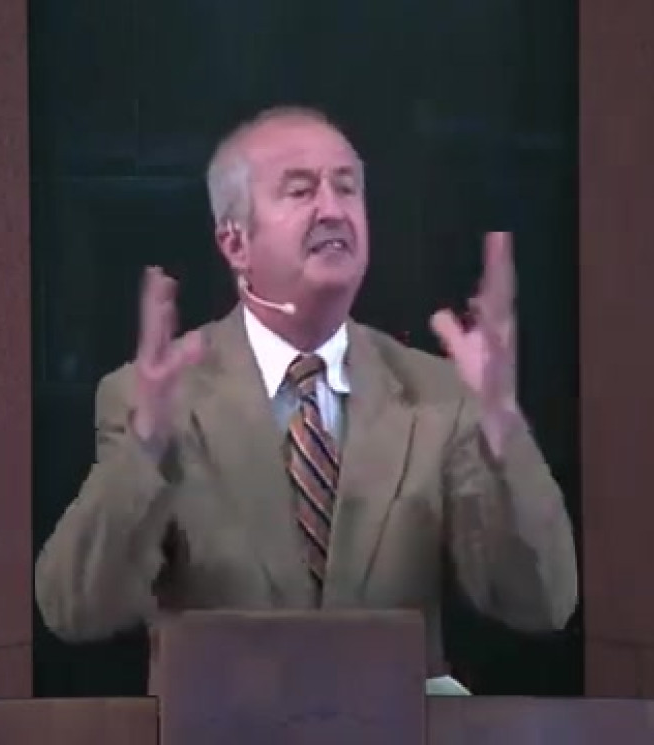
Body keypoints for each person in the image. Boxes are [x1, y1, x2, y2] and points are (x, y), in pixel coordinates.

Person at [34, 105, 578, 694]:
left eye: (347, 188)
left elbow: (541, 602)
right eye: (300, 190)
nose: (333, 209)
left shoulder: (438, 395)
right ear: (235, 242)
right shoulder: (155, 399)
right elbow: (76, 609)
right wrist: (145, 449)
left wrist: (502, 423)